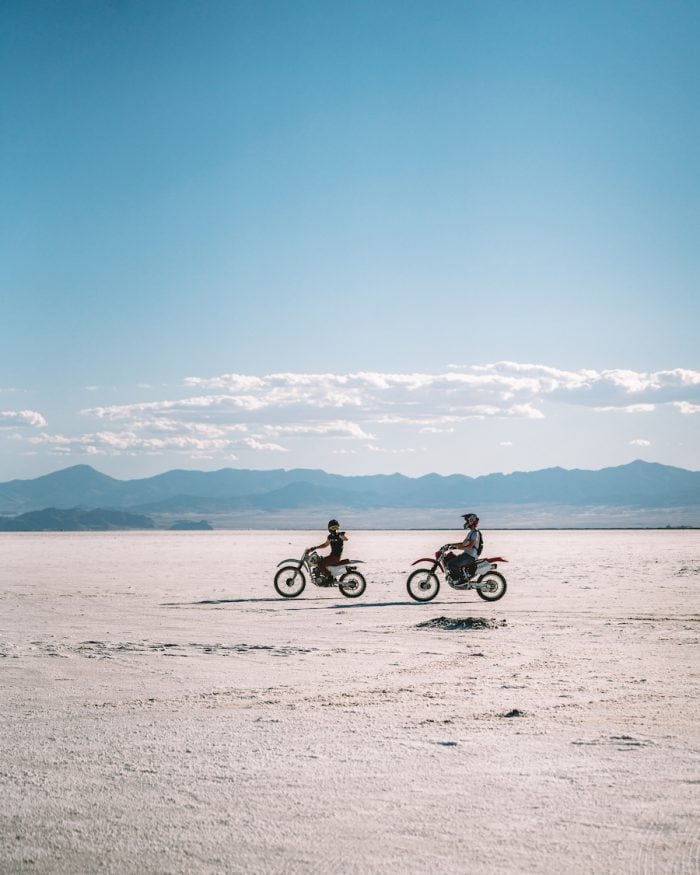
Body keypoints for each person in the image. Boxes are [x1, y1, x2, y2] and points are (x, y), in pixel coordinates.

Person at [446, 512, 482, 582]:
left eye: (467, 521)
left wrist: (456, 547)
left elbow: (469, 547)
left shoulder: (475, 533)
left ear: (472, 521)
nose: (466, 523)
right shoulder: (471, 533)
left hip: (470, 556)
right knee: (451, 560)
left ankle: (461, 580)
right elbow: (463, 543)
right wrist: (450, 545)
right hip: (467, 555)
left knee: (451, 564)